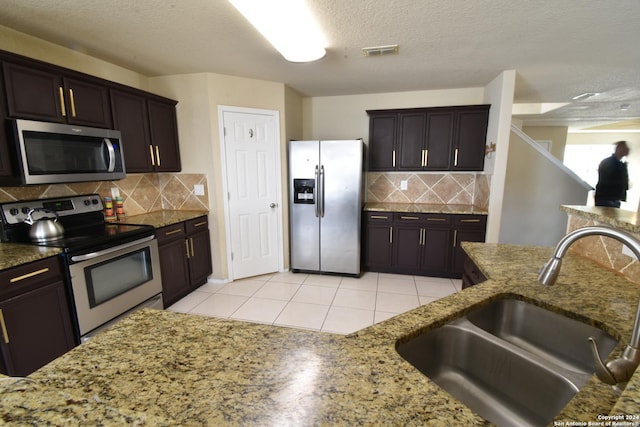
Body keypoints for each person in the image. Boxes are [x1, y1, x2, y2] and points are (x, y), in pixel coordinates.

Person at [595, 141, 630, 207]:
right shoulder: (609, 163)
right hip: (607, 198)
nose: (627, 150)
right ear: (619, 149)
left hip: (613, 198)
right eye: (625, 148)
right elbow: (608, 181)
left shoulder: (619, 164)